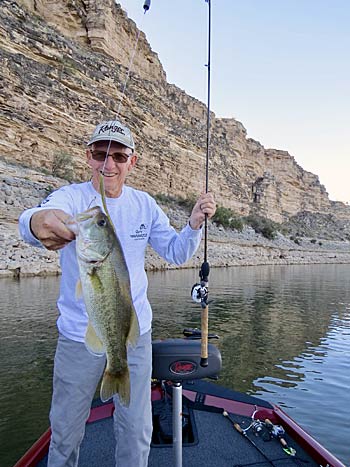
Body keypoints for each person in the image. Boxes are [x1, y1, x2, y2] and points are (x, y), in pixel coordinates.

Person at [19, 119, 216, 467]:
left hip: (134, 333)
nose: (108, 164)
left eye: (119, 157)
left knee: (137, 429)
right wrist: (38, 223)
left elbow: (175, 252)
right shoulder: (72, 197)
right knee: (65, 430)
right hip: (77, 337)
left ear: (132, 162)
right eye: (100, 154)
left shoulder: (144, 204)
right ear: (88, 157)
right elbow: (36, 218)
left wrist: (194, 224)